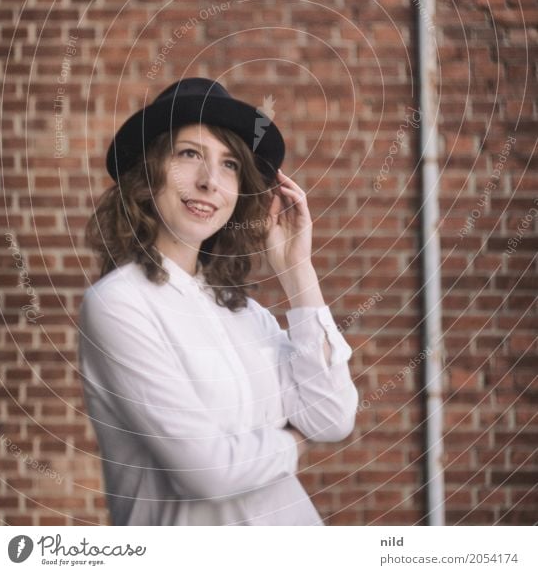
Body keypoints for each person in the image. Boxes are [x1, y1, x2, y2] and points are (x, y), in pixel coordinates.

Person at [79, 77, 358, 526]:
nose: (210, 181)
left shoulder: (248, 315)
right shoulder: (119, 304)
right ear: (148, 176)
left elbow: (333, 416)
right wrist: (293, 440)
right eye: (189, 154)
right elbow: (207, 472)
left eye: (229, 164)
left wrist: (296, 272)